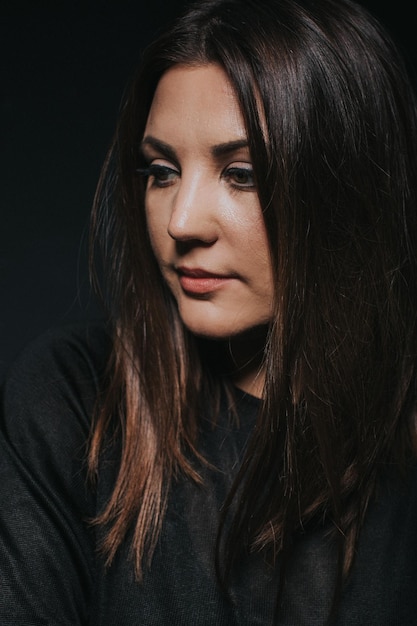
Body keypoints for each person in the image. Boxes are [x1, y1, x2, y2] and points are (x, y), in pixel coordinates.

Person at [1, 0, 417, 623]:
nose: (181, 221)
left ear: (346, 192)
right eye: (162, 171)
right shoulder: (73, 402)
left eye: (242, 174)